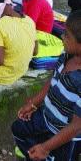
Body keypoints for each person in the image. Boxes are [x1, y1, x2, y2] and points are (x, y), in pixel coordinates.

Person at [11, 11, 81, 161]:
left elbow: (76, 126)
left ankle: (42, 154)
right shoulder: (66, 54)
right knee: (17, 128)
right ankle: (34, 154)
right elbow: (53, 79)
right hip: (45, 116)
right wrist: (35, 102)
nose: (62, 37)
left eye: (67, 35)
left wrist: (46, 148)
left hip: (65, 137)